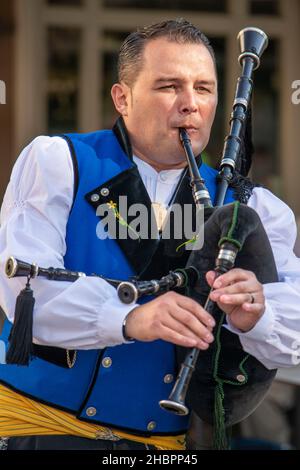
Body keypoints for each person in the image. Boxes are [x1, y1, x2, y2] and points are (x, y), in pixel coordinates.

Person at [0, 19, 300, 451]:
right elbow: (24, 291)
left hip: (159, 447)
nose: (190, 104)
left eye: (203, 88)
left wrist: (258, 313)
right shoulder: (61, 163)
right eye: (168, 86)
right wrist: (128, 318)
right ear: (122, 98)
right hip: (38, 430)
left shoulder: (247, 207)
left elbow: (290, 336)